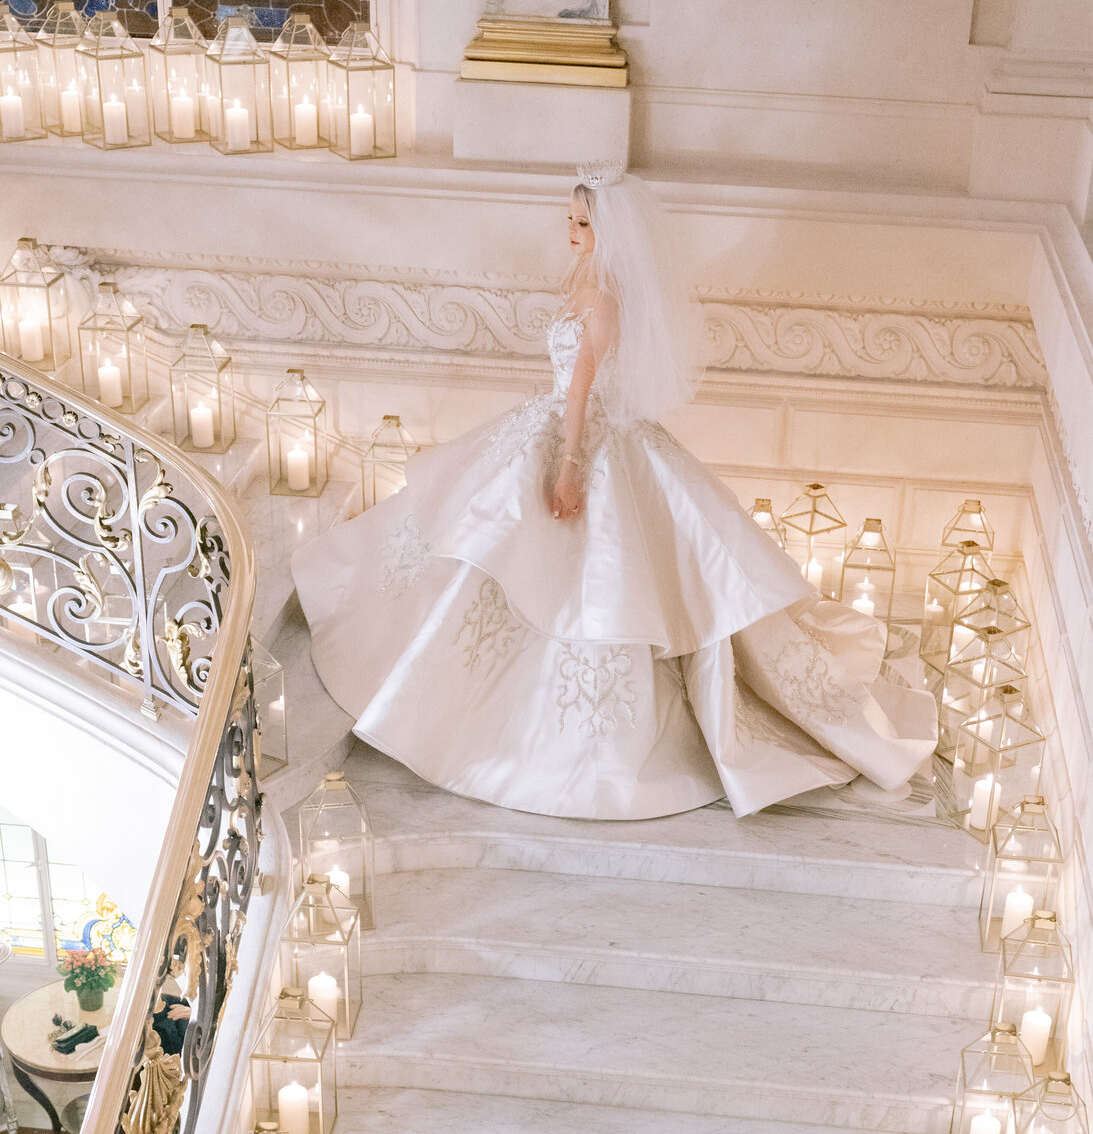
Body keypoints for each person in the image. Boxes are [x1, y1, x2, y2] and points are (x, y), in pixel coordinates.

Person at [293, 166, 936, 820]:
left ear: (611, 233)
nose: (572, 234)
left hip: (579, 436)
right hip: (555, 424)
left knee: (572, 571)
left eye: (585, 224)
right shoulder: (588, 282)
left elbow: (580, 391)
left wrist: (569, 462)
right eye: (571, 220)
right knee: (490, 550)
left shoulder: (603, 301)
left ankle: (529, 732)